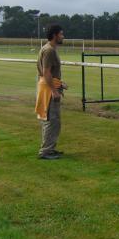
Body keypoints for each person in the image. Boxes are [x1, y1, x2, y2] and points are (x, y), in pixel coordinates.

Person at [35, 24, 67, 159]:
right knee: (50, 120)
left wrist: (60, 83)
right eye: (61, 34)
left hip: (49, 86)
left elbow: (49, 73)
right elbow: (46, 72)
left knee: (54, 121)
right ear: (54, 35)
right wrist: (54, 90)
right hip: (48, 90)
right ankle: (45, 151)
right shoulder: (49, 50)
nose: (63, 36)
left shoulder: (49, 49)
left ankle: (50, 148)